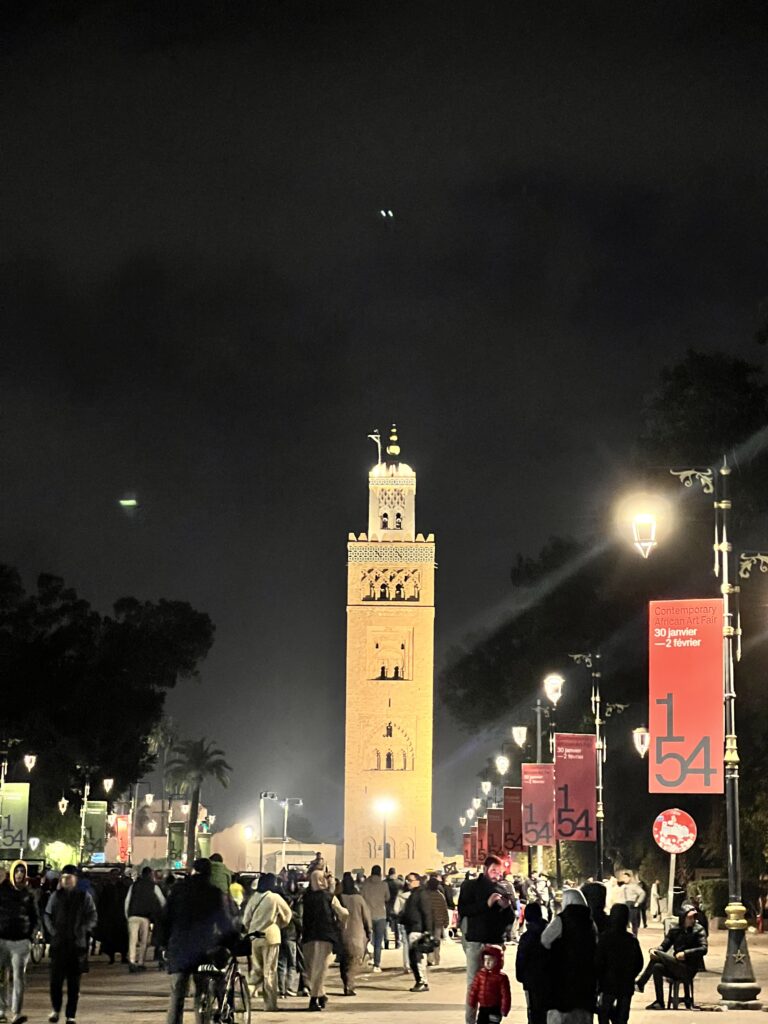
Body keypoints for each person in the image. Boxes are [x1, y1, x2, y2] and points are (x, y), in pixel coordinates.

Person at [162, 857, 239, 1024]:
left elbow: (165, 918)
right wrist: (232, 942)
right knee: (202, 990)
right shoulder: (213, 893)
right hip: (203, 948)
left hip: (179, 947)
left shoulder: (178, 890)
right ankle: (202, 1018)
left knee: (177, 994)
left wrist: (163, 944)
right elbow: (224, 922)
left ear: (193, 871)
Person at [458, 855, 516, 1024]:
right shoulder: (470, 886)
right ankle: (470, 1020)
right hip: (476, 941)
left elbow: (510, 919)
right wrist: (486, 904)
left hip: (496, 941)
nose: (497, 874)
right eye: (493, 870)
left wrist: (506, 908)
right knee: (473, 983)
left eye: (499, 872)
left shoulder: (503, 888)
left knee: (496, 984)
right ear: (485, 869)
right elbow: (464, 909)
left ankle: (492, 1020)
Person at [44, 864, 98, 1024]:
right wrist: (52, 931)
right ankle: (56, 1009)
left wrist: (84, 929)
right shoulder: (55, 896)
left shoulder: (84, 897)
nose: (67, 881)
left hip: (77, 945)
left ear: (76, 879)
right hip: (59, 944)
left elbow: (93, 915)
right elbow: (47, 914)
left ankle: (70, 1015)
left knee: (74, 985)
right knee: (55, 982)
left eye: (70, 878)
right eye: (64, 878)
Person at [541, 888, 597, 1024]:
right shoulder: (590, 921)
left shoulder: (562, 919)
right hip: (585, 973)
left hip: (563, 972)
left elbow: (545, 939)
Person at [635, 903, 707, 1010]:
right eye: (690, 917)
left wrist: (686, 953)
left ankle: (640, 983)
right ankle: (660, 1002)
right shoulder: (675, 930)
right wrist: (655, 951)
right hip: (675, 965)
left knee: (658, 955)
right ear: (683, 918)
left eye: (694, 917)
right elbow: (664, 946)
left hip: (689, 968)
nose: (692, 920)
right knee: (656, 966)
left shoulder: (699, 930)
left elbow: (703, 948)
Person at [242, 873, 292, 1012]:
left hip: (254, 936)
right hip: (271, 936)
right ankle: (270, 1005)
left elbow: (246, 920)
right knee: (269, 971)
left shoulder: (254, 898)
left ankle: (246, 993)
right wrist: (278, 925)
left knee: (256, 969)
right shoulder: (275, 898)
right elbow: (288, 915)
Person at [301, 868, 348, 1011]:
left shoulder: (305, 897)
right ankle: (315, 998)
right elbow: (344, 913)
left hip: (308, 936)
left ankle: (321, 995)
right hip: (325, 935)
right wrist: (342, 925)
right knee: (320, 969)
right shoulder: (328, 897)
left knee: (312, 968)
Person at [0, 859, 40, 1024]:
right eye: (17, 871)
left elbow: (35, 916)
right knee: (2, 977)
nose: (19, 875)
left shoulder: (29, 893)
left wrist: (32, 935)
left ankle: (16, 1012)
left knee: (18, 978)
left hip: (21, 941)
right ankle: (1, 1010)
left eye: (22, 872)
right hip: (2, 940)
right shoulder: (1, 891)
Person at [595, 903, 643, 1024]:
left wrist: (599, 979)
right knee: (622, 1016)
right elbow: (639, 963)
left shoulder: (604, 938)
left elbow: (598, 961)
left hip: (607, 983)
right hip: (626, 984)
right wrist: (631, 975)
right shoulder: (631, 940)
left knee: (604, 1012)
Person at [124, 865, 166, 972]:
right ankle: (141, 962)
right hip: (146, 917)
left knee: (132, 940)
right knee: (144, 941)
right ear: (150, 875)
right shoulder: (154, 886)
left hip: (133, 916)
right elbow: (162, 901)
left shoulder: (134, 886)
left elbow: (127, 901)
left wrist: (127, 915)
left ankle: (132, 961)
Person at [338, 872, 371, 996]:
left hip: (342, 933)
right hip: (357, 933)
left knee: (343, 960)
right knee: (354, 960)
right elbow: (366, 917)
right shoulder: (359, 899)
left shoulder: (339, 898)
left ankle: (346, 982)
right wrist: (369, 931)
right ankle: (349, 985)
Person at [399, 872, 433, 993]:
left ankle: (421, 981)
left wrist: (428, 931)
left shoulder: (421, 894)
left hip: (417, 930)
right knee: (416, 958)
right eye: (407, 880)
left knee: (416, 958)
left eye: (410, 880)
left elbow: (427, 913)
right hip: (412, 928)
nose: (407, 882)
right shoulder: (415, 894)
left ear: (417, 881)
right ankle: (422, 981)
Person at [515, 902, 548, 1024]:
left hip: (531, 981)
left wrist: (521, 977)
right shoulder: (550, 932)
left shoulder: (526, 937)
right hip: (548, 979)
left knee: (533, 1010)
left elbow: (521, 959)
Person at [468, 944, 512, 1024]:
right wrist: (472, 1001)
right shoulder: (480, 975)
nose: (487, 962)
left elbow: (505, 995)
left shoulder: (501, 977)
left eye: (490, 960)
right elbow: (474, 989)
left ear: (497, 961)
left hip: (495, 1008)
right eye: (485, 960)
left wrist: (504, 1009)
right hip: (483, 1007)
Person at [359, 864, 388, 973]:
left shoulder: (365, 885)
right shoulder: (384, 885)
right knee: (378, 941)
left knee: (367, 939)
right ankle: (377, 964)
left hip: (368, 915)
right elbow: (388, 897)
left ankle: (367, 958)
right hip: (381, 915)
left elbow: (361, 898)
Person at [96, 869, 129, 965]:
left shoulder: (122, 888)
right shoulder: (107, 888)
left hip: (120, 916)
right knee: (110, 939)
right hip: (110, 918)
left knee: (122, 938)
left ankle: (123, 956)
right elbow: (102, 904)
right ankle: (111, 957)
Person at [278, 871, 303, 997]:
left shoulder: (280, 899)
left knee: (281, 963)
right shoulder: (298, 902)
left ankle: (282, 990)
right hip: (292, 936)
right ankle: (289, 987)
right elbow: (299, 921)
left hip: (280, 934)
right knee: (292, 964)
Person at [424, 875, 449, 966]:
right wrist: (446, 921)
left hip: (428, 921)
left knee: (428, 940)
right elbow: (444, 909)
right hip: (439, 922)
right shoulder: (440, 896)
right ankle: (437, 959)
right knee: (437, 941)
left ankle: (430, 959)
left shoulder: (426, 895)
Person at [619, 873, 645, 937]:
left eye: (626, 877)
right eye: (623, 878)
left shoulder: (634, 886)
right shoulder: (622, 886)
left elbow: (642, 893)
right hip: (623, 904)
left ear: (629, 878)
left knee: (634, 921)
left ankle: (634, 936)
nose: (624, 879)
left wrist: (638, 902)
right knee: (623, 921)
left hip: (631, 904)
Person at [386, 868, 403, 946]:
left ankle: (386, 941)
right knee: (396, 925)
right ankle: (397, 941)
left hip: (386, 906)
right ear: (395, 873)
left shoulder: (384, 883)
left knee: (386, 925)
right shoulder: (399, 883)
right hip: (396, 906)